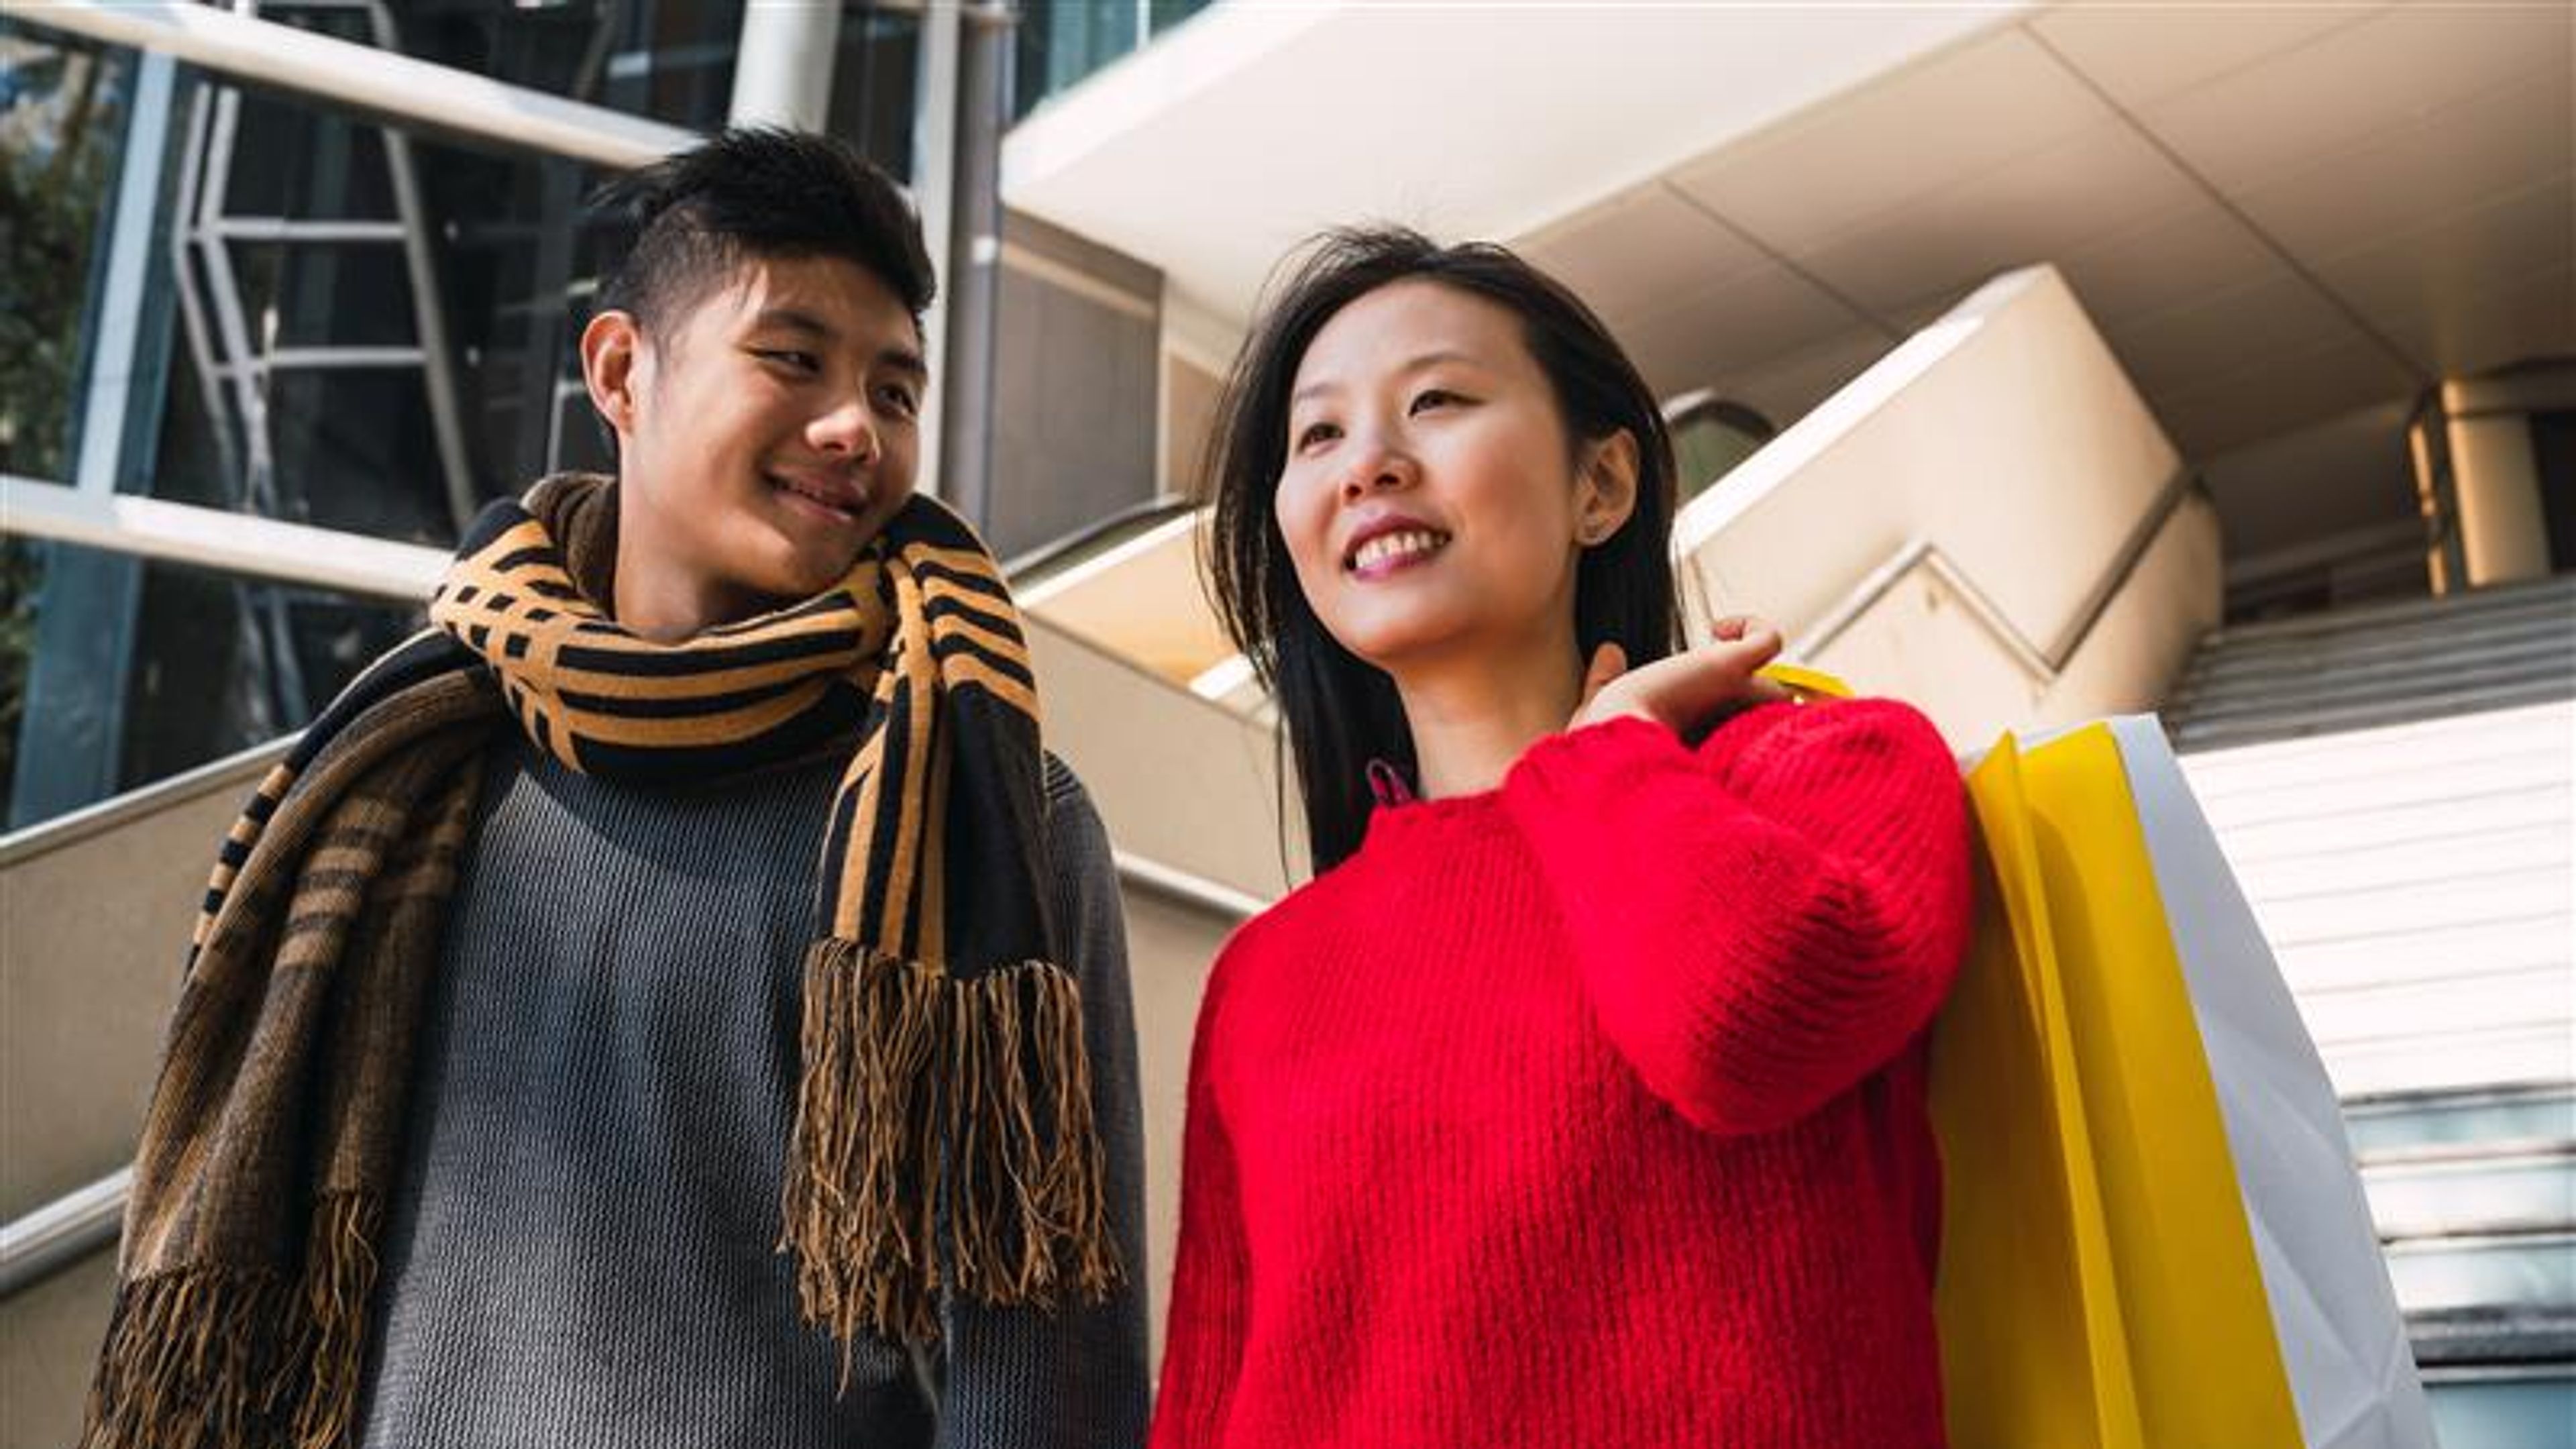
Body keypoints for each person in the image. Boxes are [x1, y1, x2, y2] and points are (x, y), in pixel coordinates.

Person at [83, 127, 1149, 1449]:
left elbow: (1049, 1382)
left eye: (894, 389)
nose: (850, 427)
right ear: (621, 372)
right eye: (793, 358)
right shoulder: (416, 768)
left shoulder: (984, 813)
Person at [1152, 227, 1974, 1446]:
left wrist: (1607, 757)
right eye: (1318, 435)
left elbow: (1740, 1029)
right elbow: (1210, 1408)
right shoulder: (1266, 975)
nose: (1367, 463)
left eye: (1433, 400)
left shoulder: (1828, 772)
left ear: (1603, 487)